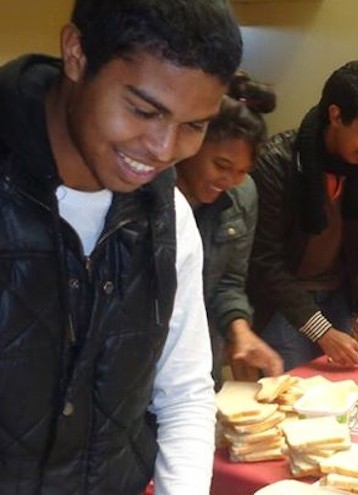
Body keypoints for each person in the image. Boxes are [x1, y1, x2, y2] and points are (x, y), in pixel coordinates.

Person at [0, 0, 241, 493]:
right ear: (76, 54)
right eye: (143, 110)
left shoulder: (168, 216)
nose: (163, 148)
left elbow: (183, 394)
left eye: (194, 125)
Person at [248, 61, 358, 370]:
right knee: (297, 397)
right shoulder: (277, 161)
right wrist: (322, 332)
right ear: (336, 116)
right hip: (284, 304)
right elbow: (265, 261)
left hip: (339, 294)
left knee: (347, 391)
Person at [175, 72, 284, 386]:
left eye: (242, 171)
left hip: (200, 358)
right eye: (221, 166)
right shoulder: (151, 193)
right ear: (193, 144)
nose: (229, 181)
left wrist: (239, 330)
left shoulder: (242, 194)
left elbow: (229, 282)